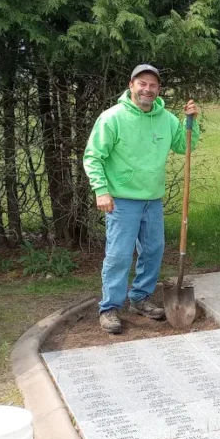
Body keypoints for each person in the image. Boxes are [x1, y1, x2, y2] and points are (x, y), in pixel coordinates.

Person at [83, 64, 201, 334]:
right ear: (131, 85)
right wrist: (101, 190)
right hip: (122, 200)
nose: (147, 89)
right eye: (142, 84)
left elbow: (186, 147)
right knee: (119, 255)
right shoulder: (112, 118)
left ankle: (139, 298)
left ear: (158, 89)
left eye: (153, 85)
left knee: (153, 250)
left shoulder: (167, 119)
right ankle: (110, 307)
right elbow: (93, 157)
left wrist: (191, 123)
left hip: (152, 199)